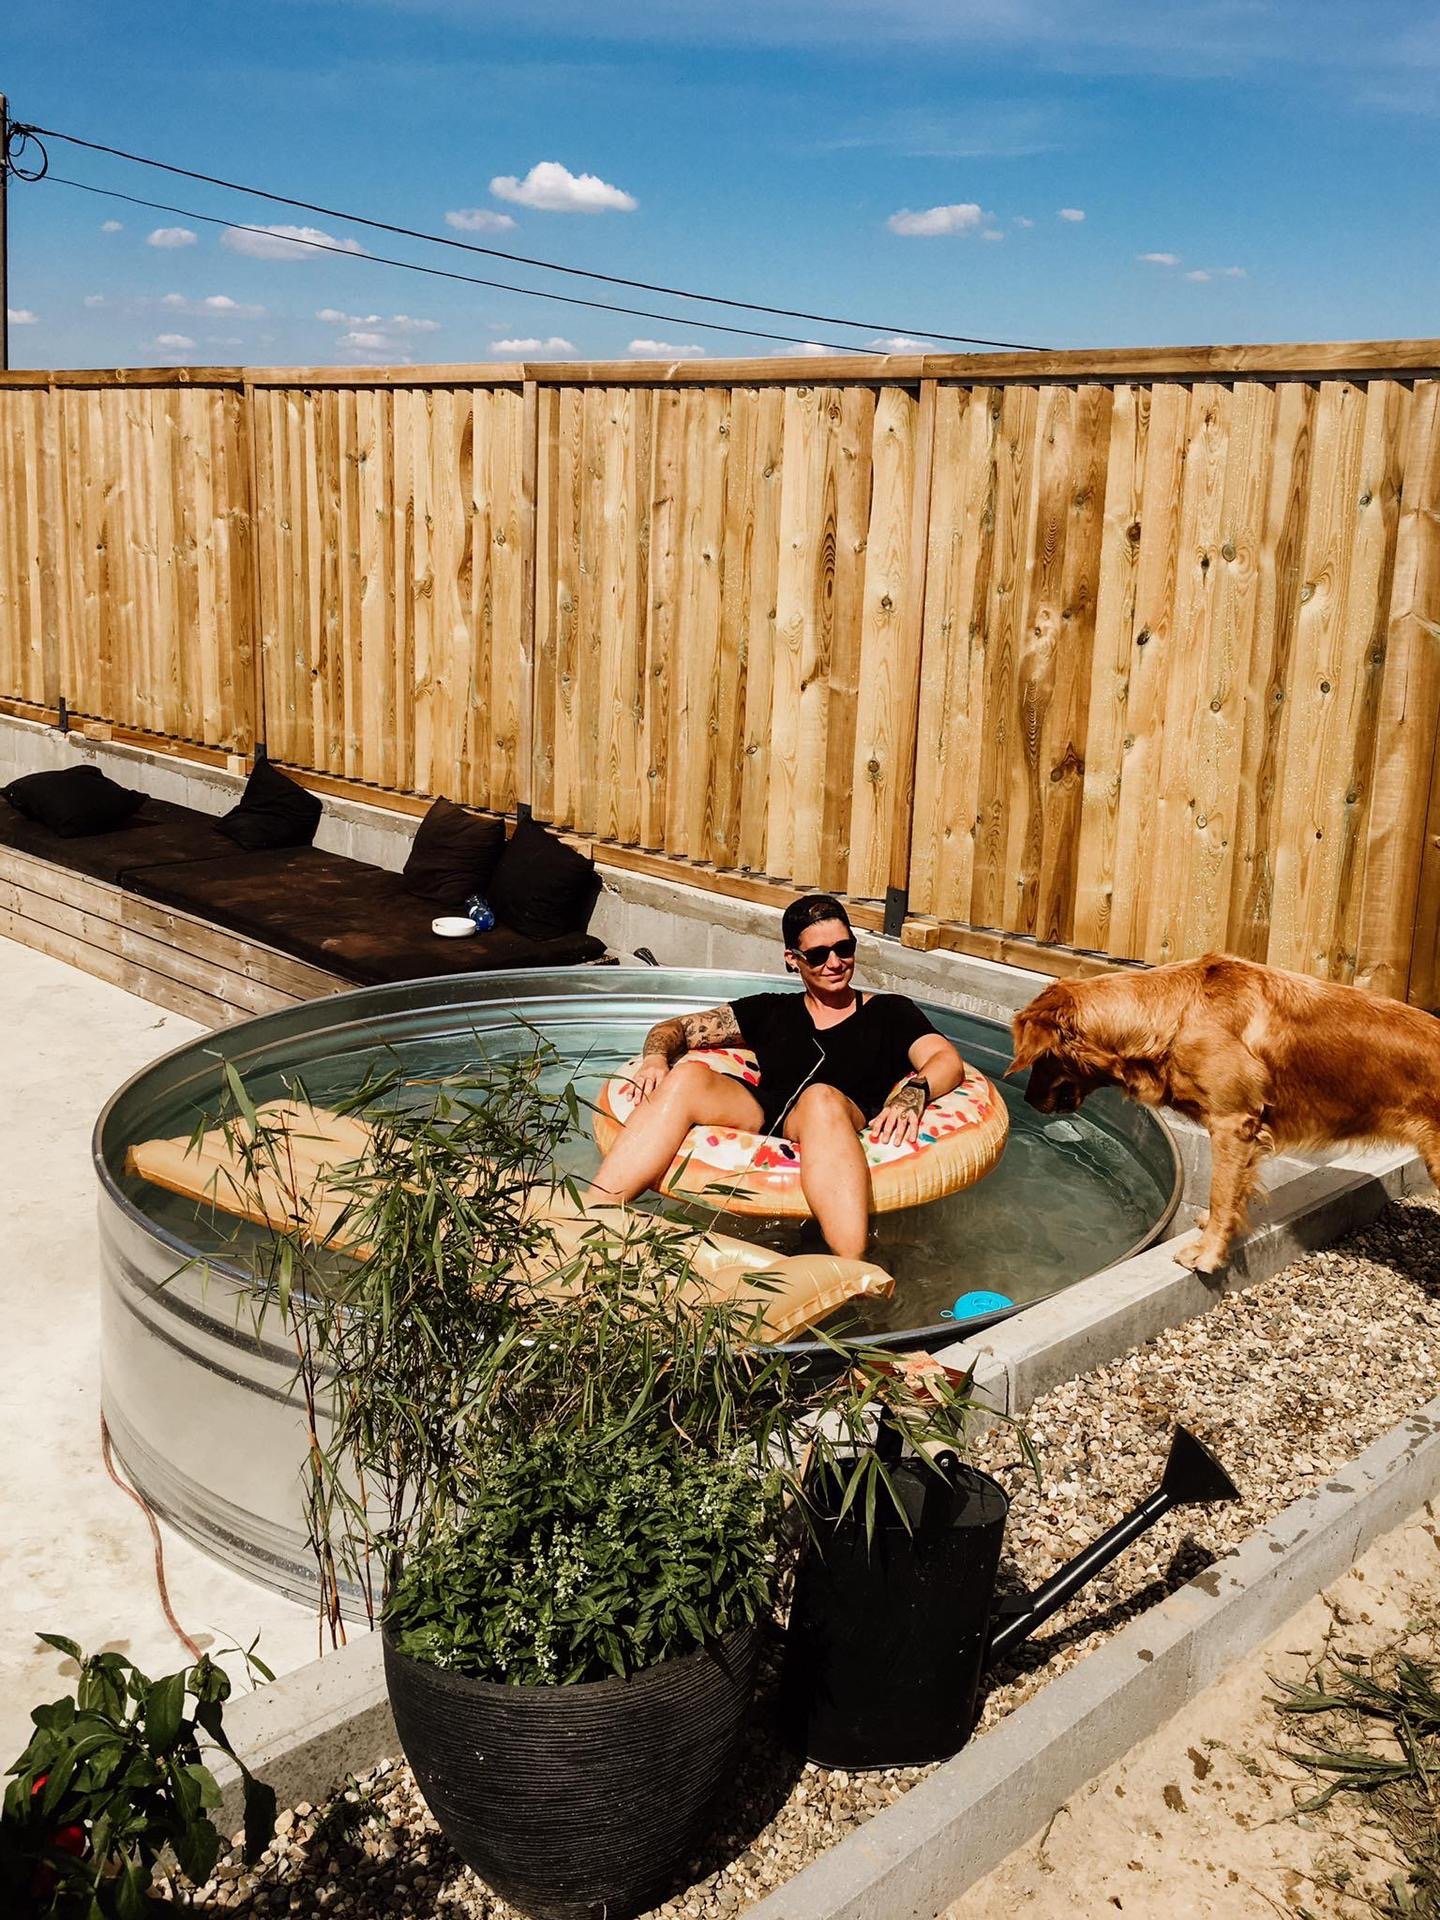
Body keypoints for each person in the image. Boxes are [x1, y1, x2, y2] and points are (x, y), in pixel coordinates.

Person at [585, 894, 966, 1258]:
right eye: (818, 955)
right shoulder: (770, 1010)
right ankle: (591, 1213)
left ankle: (853, 1266)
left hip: (838, 1114)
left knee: (819, 1097)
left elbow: (944, 1057)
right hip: (765, 1112)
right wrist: (655, 1059)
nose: (835, 962)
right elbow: (677, 1029)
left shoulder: (889, 1013)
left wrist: (915, 1090)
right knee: (687, 1078)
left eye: (844, 949)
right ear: (792, 959)